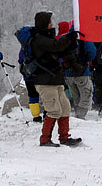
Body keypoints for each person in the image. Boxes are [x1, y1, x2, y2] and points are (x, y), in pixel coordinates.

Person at [28, 11, 85, 147]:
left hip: (55, 79)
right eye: (49, 22)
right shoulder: (38, 39)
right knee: (54, 110)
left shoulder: (46, 37)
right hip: (45, 81)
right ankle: (45, 139)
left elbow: (58, 49)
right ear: (44, 24)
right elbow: (55, 47)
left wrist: (69, 44)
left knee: (65, 108)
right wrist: (68, 38)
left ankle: (64, 137)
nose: (51, 24)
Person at [62, 22, 96, 119]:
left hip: (68, 72)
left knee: (75, 95)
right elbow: (92, 53)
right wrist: (85, 60)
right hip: (82, 71)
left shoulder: (64, 38)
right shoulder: (84, 37)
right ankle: (81, 115)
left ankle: (77, 113)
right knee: (85, 94)